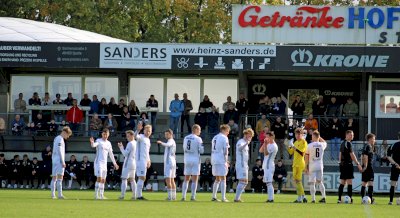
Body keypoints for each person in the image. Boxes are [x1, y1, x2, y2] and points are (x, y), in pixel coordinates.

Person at [90, 128, 119, 200]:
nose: (105, 135)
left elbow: (111, 154)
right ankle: (96, 195)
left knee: (103, 180)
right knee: (99, 179)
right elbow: (94, 145)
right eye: (104, 134)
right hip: (98, 163)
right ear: (102, 134)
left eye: (106, 134)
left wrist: (115, 164)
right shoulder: (98, 141)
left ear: (108, 134)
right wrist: (92, 143)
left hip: (104, 164)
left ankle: (101, 195)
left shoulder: (109, 143)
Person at [337, 130, 362, 203]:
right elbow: (352, 155)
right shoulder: (348, 143)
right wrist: (358, 164)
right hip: (348, 164)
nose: (352, 136)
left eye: (353, 135)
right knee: (349, 182)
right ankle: (350, 198)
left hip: (342, 165)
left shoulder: (342, 143)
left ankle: (339, 199)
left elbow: (340, 154)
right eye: (351, 135)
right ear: (347, 135)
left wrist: (340, 163)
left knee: (342, 182)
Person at [182, 124, 204, 201]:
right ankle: (193, 196)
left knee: (186, 178)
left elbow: (184, 148)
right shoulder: (198, 139)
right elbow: (201, 150)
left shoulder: (185, 137)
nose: (200, 132)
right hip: (195, 159)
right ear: (196, 130)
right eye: (199, 130)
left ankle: (183, 196)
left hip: (187, 159)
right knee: (195, 178)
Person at [305, 130, 327, 203]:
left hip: (312, 165)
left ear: (314, 137)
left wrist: (306, 167)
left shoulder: (309, 145)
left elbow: (307, 157)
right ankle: (323, 197)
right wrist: (319, 137)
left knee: (312, 182)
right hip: (320, 165)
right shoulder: (322, 145)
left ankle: (313, 199)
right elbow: (325, 142)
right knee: (320, 182)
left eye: (312, 136)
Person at [50, 126, 72, 199]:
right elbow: (59, 150)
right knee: (55, 177)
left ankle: (59, 194)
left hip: (57, 160)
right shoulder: (59, 138)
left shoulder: (59, 138)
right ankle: (54, 195)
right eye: (68, 135)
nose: (68, 137)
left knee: (59, 177)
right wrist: (63, 162)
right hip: (58, 160)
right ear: (65, 133)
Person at [234, 128, 254, 202]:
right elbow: (239, 148)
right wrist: (246, 143)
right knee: (243, 181)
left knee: (245, 182)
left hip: (245, 165)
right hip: (241, 164)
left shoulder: (246, 143)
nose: (250, 137)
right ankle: (236, 198)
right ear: (245, 134)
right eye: (249, 135)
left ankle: (237, 198)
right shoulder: (241, 142)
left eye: (251, 136)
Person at [211, 124, 230, 202]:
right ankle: (223, 197)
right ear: (224, 130)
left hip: (214, 158)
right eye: (227, 131)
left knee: (217, 178)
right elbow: (225, 150)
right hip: (220, 159)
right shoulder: (224, 138)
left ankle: (214, 196)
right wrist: (226, 161)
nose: (228, 133)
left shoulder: (215, 137)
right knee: (223, 177)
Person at [287, 128, 308, 203]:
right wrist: (289, 145)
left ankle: (303, 196)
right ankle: (300, 197)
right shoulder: (295, 142)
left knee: (298, 180)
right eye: (296, 134)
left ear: (302, 135)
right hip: (295, 163)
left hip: (300, 163)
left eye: (299, 134)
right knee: (296, 181)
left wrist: (295, 148)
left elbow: (302, 153)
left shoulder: (304, 142)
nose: (298, 136)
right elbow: (290, 152)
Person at [157, 129, 177, 201]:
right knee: (172, 180)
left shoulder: (171, 141)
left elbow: (168, 145)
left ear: (171, 134)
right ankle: (174, 196)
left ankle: (170, 197)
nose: (166, 135)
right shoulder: (172, 141)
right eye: (165, 134)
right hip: (172, 162)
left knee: (168, 180)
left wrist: (161, 142)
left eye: (167, 134)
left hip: (169, 162)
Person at [117, 130, 137, 200]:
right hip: (134, 163)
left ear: (132, 136)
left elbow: (125, 154)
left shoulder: (130, 143)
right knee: (132, 180)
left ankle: (122, 195)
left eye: (128, 136)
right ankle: (134, 195)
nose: (127, 137)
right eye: (126, 136)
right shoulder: (136, 143)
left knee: (124, 179)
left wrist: (121, 147)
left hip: (128, 163)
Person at [259, 132, 278, 203]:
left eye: (267, 137)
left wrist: (266, 144)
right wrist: (264, 144)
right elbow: (260, 150)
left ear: (272, 137)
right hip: (266, 165)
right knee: (268, 182)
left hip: (269, 165)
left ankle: (271, 199)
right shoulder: (268, 144)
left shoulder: (274, 146)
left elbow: (266, 153)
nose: (266, 139)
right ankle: (270, 198)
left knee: (269, 182)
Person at [135, 123, 152, 200]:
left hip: (145, 161)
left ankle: (138, 195)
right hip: (140, 161)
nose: (147, 132)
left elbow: (147, 152)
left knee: (142, 178)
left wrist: (148, 160)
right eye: (146, 130)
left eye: (149, 131)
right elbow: (135, 136)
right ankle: (139, 195)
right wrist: (138, 130)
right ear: (144, 131)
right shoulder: (141, 137)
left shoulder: (148, 140)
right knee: (142, 177)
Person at [361, 133, 376, 204]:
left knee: (364, 183)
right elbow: (365, 156)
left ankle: (363, 199)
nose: (374, 140)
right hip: (369, 167)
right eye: (373, 139)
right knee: (370, 183)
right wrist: (366, 166)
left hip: (365, 166)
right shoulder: (369, 146)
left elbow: (362, 156)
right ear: (370, 139)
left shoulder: (365, 146)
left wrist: (362, 165)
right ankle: (371, 199)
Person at [387, 131, 400, 205]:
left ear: (398, 137)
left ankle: (391, 201)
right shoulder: (393, 145)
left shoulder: (393, 145)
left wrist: (395, 164)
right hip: (396, 166)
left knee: (393, 184)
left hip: (395, 166)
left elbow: (388, 156)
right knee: (393, 184)